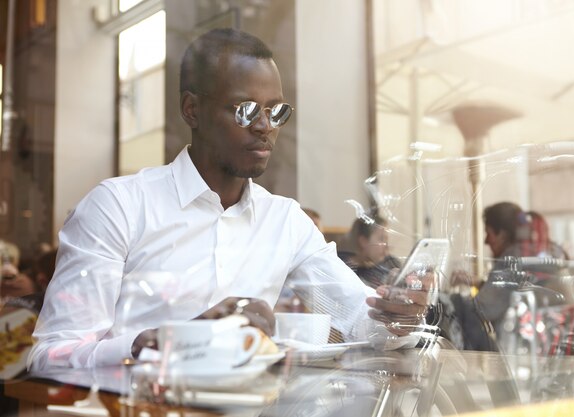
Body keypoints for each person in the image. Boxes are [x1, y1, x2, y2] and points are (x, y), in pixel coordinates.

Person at [28, 29, 426, 370]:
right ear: (192, 110)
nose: (265, 127)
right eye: (246, 109)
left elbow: (359, 318)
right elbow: (50, 354)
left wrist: (396, 316)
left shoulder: (284, 221)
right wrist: (167, 341)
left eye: (275, 111)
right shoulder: (118, 207)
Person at [337, 215, 401, 289]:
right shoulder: (342, 269)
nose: (387, 246)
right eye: (382, 239)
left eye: (386, 239)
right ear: (363, 241)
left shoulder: (390, 263)